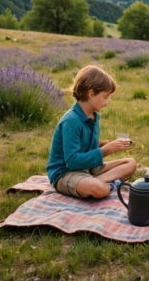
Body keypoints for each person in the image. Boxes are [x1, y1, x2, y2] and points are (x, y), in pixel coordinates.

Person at [46, 65, 137, 198]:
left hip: (89, 169)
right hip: (66, 173)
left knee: (131, 163)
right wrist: (106, 151)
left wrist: (109, 144)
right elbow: (72, 161)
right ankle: (103, 185)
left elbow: (87, 145)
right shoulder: (71, 121)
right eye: (105, 97)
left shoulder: (93, 117)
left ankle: (100, 184)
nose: (107, 102)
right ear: (90, 94)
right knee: (100, 190)